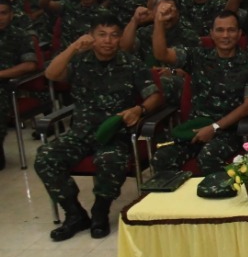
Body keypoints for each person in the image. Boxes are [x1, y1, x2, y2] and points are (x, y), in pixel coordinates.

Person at [38, 16, 163, 241]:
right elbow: (51, 74)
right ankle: (74, 214)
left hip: (113, 133)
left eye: (114, 35)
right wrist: (73, 47)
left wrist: (139, 109)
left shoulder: (131, 64)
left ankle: (100, 212)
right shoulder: (79, 61)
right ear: (92, 37)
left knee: (111, 160)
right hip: (80, 132)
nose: (108, 41)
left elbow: (154, 96)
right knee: (46, 157)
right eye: (102, 35)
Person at [150, 7, 248, 175]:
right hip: (196, 127)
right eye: (220, 30)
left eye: (231, 30)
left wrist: (214, 127)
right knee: (162, 158)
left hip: (229, 130)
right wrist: (159, 22)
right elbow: (162, 54)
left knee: (207, 157)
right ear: (211, 33)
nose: (225, 35)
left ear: (239, 34)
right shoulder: (198, 56)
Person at [0, 0, 37, 169]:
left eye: (3, 13)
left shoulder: (20, 35)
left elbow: (30, 64)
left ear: (12, 15)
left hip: (6, 86)